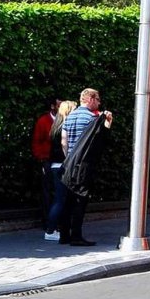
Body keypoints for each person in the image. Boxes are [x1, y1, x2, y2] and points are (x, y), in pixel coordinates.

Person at [59, 88, 114, 246]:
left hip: (68, 165)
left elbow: (64, 141)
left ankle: (64, 235)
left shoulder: (69, 117)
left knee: (67, 201)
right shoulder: (92, 118)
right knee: (80, 201)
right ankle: (76, 236)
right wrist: (108, 123)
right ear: (90, 99)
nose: (99, 103)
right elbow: (101, 141)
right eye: (97, 99)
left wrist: (69, 158)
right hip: (83, 166)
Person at [44, 100, 77, 241]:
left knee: (59, 199)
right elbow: (64, 145)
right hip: (61, 165)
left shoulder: (55, 127)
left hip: (54, 165)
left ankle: (54, 229)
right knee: (60, 200)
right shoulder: (64, 127)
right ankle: (50, 230)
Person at [30, 96, 59, 229]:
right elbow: (37, 141)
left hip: (59, 159)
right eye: (58, 105)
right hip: (47, 159)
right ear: (52, 106)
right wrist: (41, 158)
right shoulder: (43, 121)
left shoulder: (63, 120)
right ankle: (48, 220)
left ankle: (56, 219)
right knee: (47, 190)